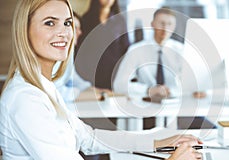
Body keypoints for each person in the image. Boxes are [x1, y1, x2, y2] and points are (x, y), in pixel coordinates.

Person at [0, 1, 203, 159]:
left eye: (67, 23)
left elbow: (89, 138)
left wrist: (157, 142)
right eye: (49, 23)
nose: (63, 33)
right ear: (23, 31)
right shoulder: (26, 99)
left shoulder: (44, 87)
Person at [113, 7, 183, 99]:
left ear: (174, 27)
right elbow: (119, 85)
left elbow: (190, 83)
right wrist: (148, 89)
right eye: (161, 23)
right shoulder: (136, 50)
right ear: (152, 24)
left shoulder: (182, 50)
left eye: (169, 24)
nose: (165, 28)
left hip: (175, 104)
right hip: (145, 105)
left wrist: (175, 91)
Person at [77, 0, 130, 89]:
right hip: (90, 74)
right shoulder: (86, 19)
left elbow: (125, 49)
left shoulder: (119, 21)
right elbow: (80, 50)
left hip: (113, 75)